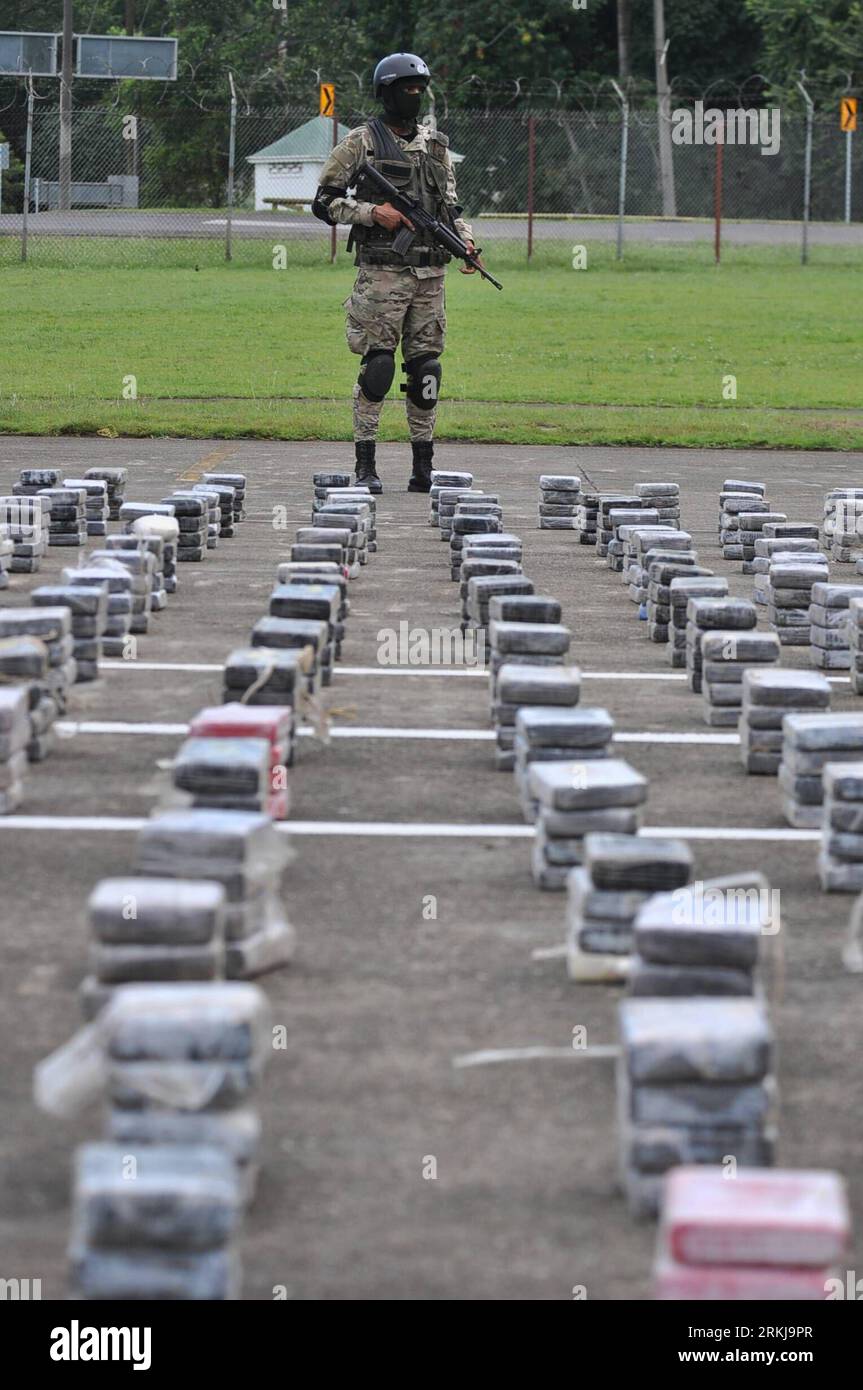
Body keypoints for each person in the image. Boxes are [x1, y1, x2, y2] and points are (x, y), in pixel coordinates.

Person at [312, 52, 484, 493]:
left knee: (426, 370)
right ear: (386, 92)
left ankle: (423, 466)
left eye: (419, 89)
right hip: (382, 276)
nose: (414, 95)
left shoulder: (437, 147)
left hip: (430, 277)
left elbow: (450, 206)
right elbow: (324, 202)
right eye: (406, 88)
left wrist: (465, 241)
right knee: (379, 368)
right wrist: (372, 212)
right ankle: (365, 465)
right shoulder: (360, 143)